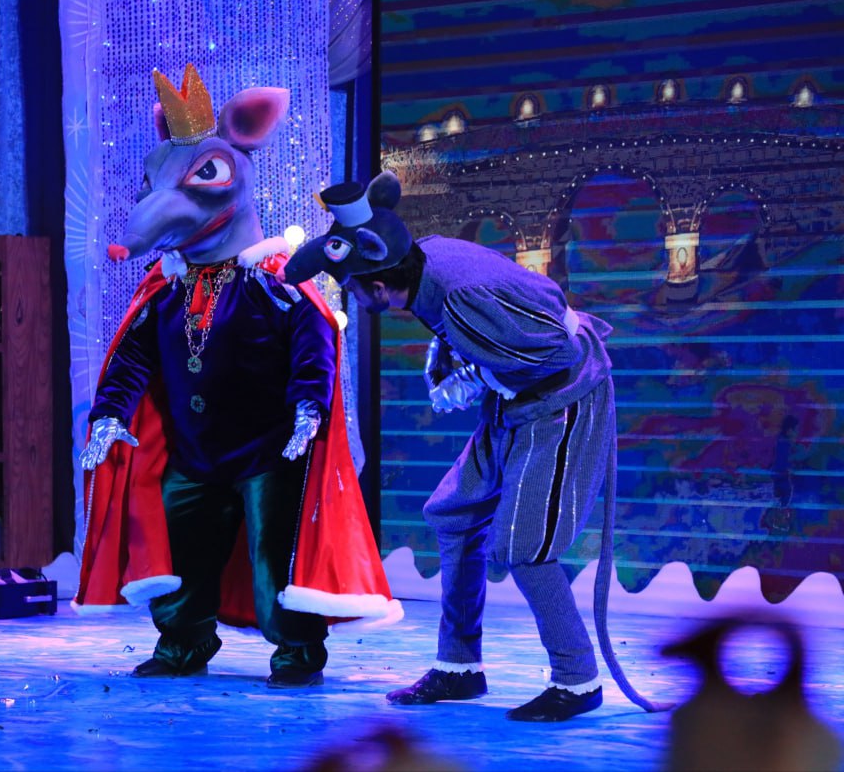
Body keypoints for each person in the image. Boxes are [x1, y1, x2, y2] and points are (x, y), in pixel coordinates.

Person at [281, 170, 662, 721]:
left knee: (523, 547)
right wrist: (454, 359)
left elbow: (556, 350)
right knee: (453, 512)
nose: (355, 299)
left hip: (561, 401)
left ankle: (577, 679)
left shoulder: (461, 297)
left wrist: (477, 374)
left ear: (379, 285)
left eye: (354, 288)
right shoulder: (427, 258)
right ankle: (460, 668)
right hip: (516, 403)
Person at [75, 65, 398, 689]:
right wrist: (110, 413)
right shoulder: (167, 290)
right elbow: (134, 356)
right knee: (181, 550)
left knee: (274, 556)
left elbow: (313, 343)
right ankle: (183, 642)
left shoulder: (274, 281)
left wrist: (309, 408)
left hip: (267, 450)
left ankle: (296, 651)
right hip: (194, 454)